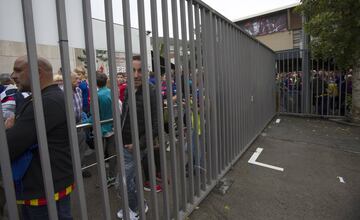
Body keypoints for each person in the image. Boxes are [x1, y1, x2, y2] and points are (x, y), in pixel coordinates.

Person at [5, 56, 74, 219]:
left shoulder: (46, 102)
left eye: (18, 70)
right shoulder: (47, 97)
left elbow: (8, 146)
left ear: (37, 72)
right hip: (46, 184)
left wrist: (8, 130)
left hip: (44, 190)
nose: (13, 75)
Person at [117, 55, 159, 219]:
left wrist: (138, 143)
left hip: (135, 147)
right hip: (123, 143)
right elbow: (126, 114)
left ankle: (136, 208)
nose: (136, 75)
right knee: (128, 181)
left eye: (140, 70)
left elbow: (156, 125)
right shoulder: (128, 89)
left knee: (123, 183)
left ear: (146, 72)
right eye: (133, 70)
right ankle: (138, 205)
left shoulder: (152, 91)